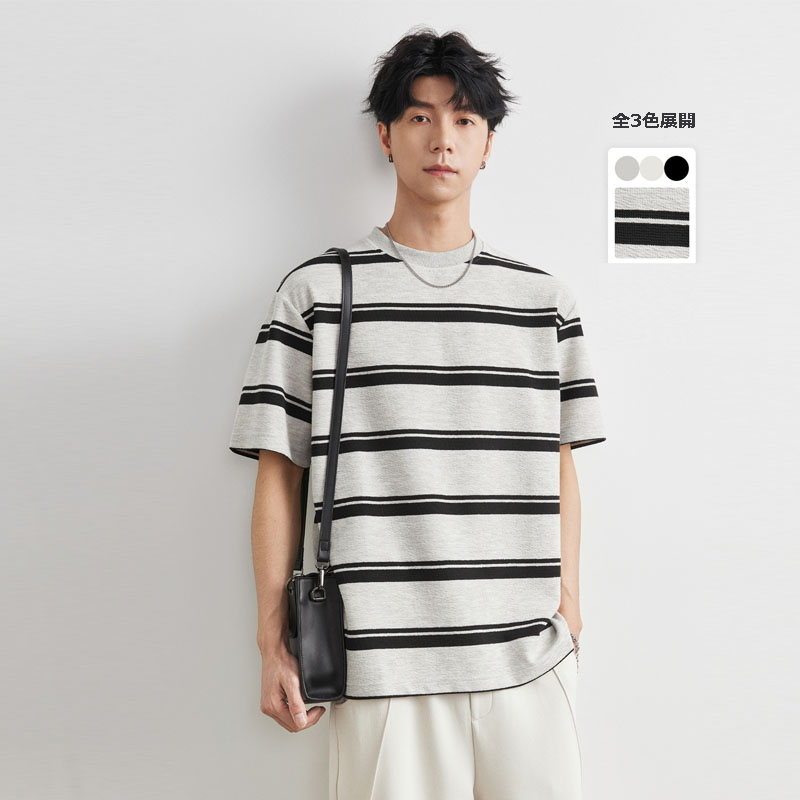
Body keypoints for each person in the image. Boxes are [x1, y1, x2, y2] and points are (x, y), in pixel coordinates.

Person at [228, 26, 607, 800]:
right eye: (420, 116)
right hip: (381, 669)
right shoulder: (316, 293)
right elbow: (279, 472)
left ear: (488, 143)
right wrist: (272, 641)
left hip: (529, 662)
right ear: (386, 135)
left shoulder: (542, 302)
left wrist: (568, 604)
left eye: (464, 119)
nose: (443, 139)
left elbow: (558, 462)